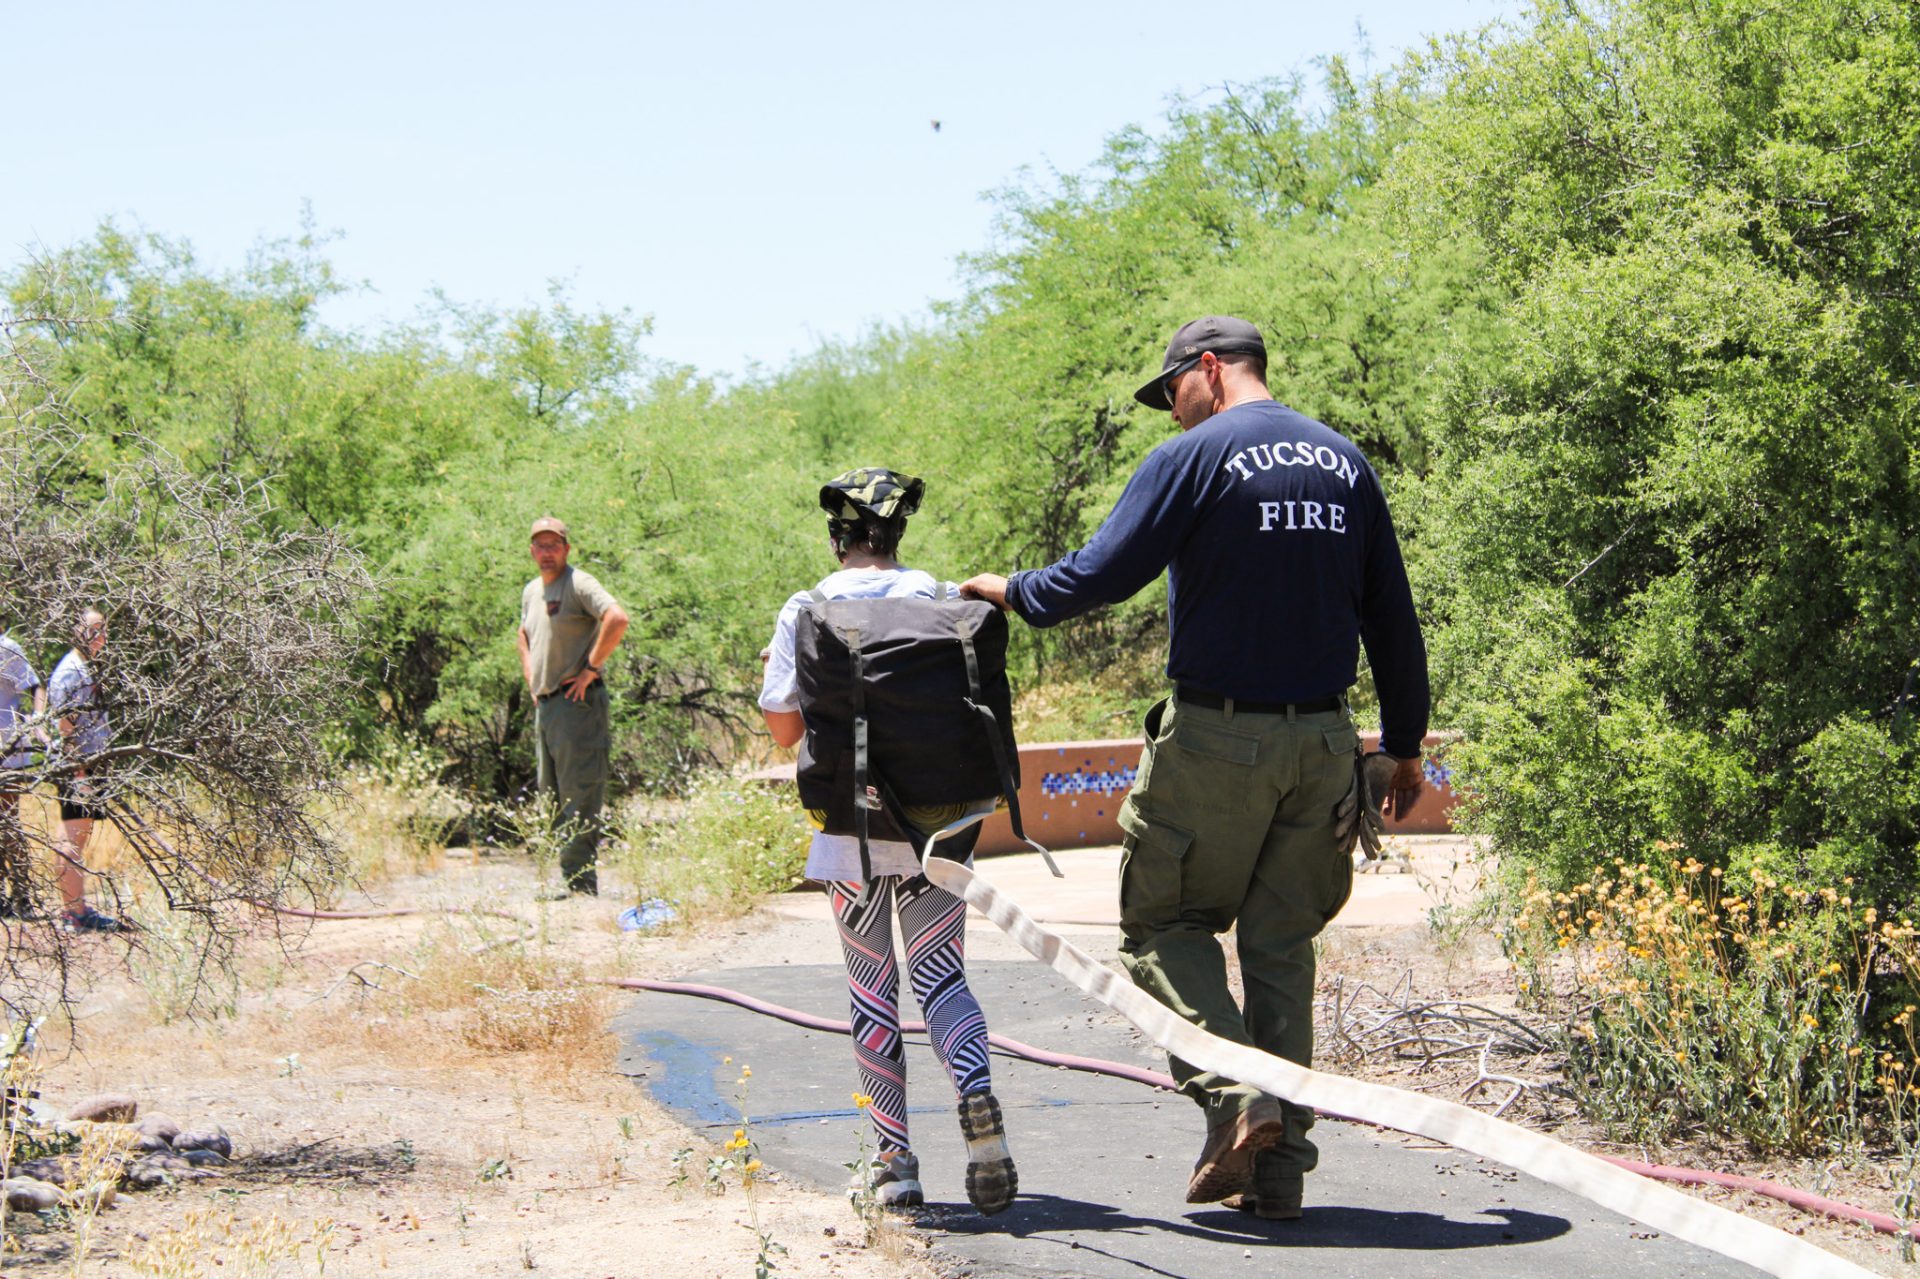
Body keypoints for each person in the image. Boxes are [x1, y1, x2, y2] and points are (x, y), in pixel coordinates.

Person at [960, 316, 1430, 1220]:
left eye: (1172, 391)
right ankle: (1281, 1170)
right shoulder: (1345, 462)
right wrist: (1402, 748)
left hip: (1215, 742)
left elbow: (1097, 574)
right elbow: (1393, 618)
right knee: (1282, 946)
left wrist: (1010, 590)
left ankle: (1233, 1095)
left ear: (1209, 370)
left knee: (1161, 922)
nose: (1171, 412)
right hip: (1326, 745)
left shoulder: (1198, 456)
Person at [758, 468, 1017, 1216]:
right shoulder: (941, 601)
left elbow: (783, 725)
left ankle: (895, 1166)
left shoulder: (806, 607)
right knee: (942, 978)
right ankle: (975, 1093)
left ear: (838, 537)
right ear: (898, 535)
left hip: (854, 826)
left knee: (873, 991)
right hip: (945, 821)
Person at [516, 516, 629, 898]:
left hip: (577, 704)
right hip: (547, 706)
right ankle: (567, 879)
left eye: (554, 545)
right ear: (531, 551)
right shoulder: (533, 590)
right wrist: (533, 679)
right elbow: (523, 634)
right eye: (540, 546)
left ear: (566, 548)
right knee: (551, 792)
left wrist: (590, 669)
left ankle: (580, 884)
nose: (546, 552)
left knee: (579, 792)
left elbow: (617, 617)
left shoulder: (579, 583)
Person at [47, 610, 124, 933]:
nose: (99, 637)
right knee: (72, 837)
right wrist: (79, 772)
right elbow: (66, 727)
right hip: (78, 767)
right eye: (92, 630)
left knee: (79, 835)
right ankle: (73, 914)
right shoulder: (70, 671)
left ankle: (76, 907)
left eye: (102, 630)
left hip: (91, 764)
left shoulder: (86, 667)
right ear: (77, 631)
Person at [0, 629, 47, 918]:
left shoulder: (6, 647)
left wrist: (38, 721)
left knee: (7, 820)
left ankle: (21, 894)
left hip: (7, 746)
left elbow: (35, 687)